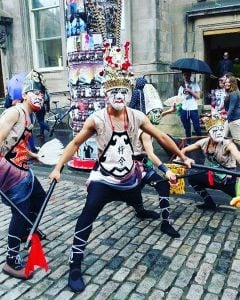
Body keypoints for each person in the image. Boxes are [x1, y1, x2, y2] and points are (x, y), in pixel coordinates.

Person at [49, 42, 193, 293]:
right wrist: (58, 167)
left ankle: (141, 211)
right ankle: (75, 264)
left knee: (137, 197)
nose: (118, 96)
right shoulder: (97, 119)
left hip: (130, 177)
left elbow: (161, 137)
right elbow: (74, 143)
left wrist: (182, 156)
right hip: (104, 181)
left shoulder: (137, 116)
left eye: (123, 92)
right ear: (106, 94)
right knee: (87, 216)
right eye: (114, 91)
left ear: (128, 94)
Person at [0, 70, 47, 279]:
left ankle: (30, 229)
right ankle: (11, 261)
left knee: (40, 198)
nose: (40, 96)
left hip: (23, 168)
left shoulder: (31, 117)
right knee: (20, 212)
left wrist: (33, 156)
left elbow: (18, 144)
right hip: (9, 171)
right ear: (25, 93)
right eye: (35, 92)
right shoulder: (15, 112)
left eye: (42, 93)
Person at [130, 82, 180, 238]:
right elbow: (151, 154)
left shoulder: (147, 120)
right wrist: (166, 171)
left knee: (162, 187)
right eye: (156, 112)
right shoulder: (145, 131)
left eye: (160, 112)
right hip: (135, 168)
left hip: (144, 167)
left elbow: (155, 116)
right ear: (147, 114)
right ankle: (140, 212)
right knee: (135, 191)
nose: (159, 115)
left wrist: (169, 111)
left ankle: (165, 224)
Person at [180, 116, 240, 210]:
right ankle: (209, 203)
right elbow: (184, 150)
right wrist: (180, 160)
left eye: (221, 130)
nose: (219, 133)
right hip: (212, 175)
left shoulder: (228, 144)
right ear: (209, 133)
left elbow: (237, 155)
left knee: (238, 199)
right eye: (215, 131)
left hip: (228, 180)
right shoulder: (204, 142)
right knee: (192, 178)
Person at [177, 70, 202, 142]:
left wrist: (190, 91)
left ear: (190, 75)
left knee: (196, 127)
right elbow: (179, 99)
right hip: (184, 109)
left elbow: (198, 97)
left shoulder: (195, 84)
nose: (186, 76)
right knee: (187, 128)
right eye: (184, 75)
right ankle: (188, 142)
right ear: (183, 76)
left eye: (187, 75)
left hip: (193, 109)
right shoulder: (181, 87)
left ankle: (200, 142)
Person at [224, 75, 240, 145]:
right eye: (226, 82)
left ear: (232, 83)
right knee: (222, 137)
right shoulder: (231, 93)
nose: (226, 84)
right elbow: (226, 107)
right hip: (230, 119)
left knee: (238, 141)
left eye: (228, 82)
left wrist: (226, 116)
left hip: (234, 119)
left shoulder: (234, 93)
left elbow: (231, 108)